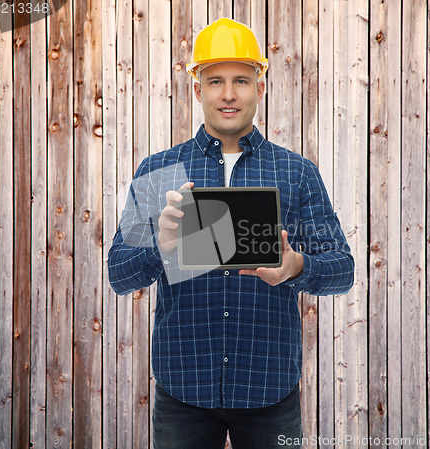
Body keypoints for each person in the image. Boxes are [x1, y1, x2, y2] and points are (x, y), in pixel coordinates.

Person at [108, 17, 354, 449]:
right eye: (214, 80)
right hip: (182, 389)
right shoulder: (159, 171)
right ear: (197, 88)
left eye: (241, 80)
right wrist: (161, 249)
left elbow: (343, 269)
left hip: (269, 390)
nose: (228, 93)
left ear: (260, 87)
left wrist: (296, 266)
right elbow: (119, 274)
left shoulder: (296, 173)